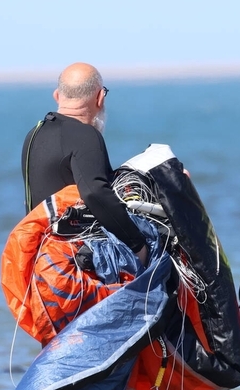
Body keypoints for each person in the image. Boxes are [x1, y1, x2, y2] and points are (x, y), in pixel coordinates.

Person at [21, 62, 148, 267]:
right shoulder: (86, 135)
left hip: (40, 258)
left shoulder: (34, 135)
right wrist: (137, 244)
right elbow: (95, 193)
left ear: (57, 95)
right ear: (100, 98)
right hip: (76, 265)